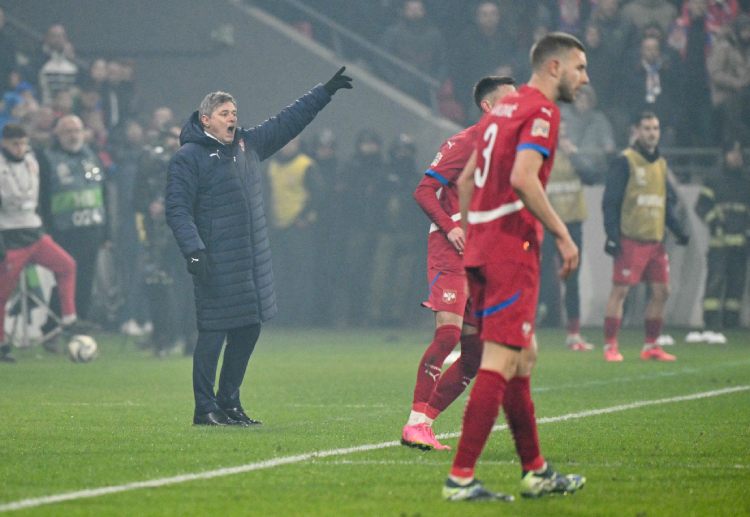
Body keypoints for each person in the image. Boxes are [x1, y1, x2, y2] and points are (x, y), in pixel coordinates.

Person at [443, 32, 588, 502]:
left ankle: (536, 471)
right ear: (554, 67)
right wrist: (564, 234)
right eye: (579, 67)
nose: (584, 78)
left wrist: (473, 238)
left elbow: (466, 181)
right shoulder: (541, 110)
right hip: (511, 249)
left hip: (484, 248)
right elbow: (524, 178)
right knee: (503, 359)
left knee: (522, 357)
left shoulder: (500, 110)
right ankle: (461, 477)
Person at [165, 67, 352, 427]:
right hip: (214, 258)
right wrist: (194, 249)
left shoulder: (246, 146)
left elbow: (287, 121)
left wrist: (324, 92)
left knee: (249, 327)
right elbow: (177, 208)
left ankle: (229, 402)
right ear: (205, 120)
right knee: (213, 331)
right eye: (224, 113)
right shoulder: (188, 157)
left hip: (248, 259)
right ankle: (204, 408)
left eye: (234, 112)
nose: (232, 118)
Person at [401, 76, 516, 451]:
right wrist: (449, 226)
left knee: (475, 355)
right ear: (488, 106)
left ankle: (425, 423)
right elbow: (423, 190)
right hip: (451, 251)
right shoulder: (464, 142)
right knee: (447, 334)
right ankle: (414, 422)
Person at [601, 111, 690, 362]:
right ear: (636, 131)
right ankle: (610, 346)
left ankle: (651, 346)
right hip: (631, 239)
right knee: (620, 291)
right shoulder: (625, 161)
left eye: (656, 128)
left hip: (655, 241)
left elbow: (665, 204)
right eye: (647, 128)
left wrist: (678, 230)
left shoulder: (660, 163)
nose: (653, 133)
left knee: (662, 291)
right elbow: (610, 202)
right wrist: (612, 235)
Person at [0, 123, 78, 363]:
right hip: (10, 235)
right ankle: (2, 344)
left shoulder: (32, 161)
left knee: (67, 265)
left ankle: (69, 319)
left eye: (23, 143)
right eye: (15, 143)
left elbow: (41, 199)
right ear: (4, 143)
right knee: (2, 294)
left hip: (34, 231)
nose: (20, 148)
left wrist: (46, 228)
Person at [38, 114, 108, 323]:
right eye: (67, 131)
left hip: (92, 227)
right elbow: (43, 197)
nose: (73, 135)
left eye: (76, 130)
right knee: (64, 276)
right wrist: (48, 229)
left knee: (87, 277)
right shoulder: (47, 159)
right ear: (57, 134)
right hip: (63, 229)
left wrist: (107, 231)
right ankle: (54, 324)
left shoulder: (91, 156)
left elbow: (103, 194)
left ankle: (81, 321)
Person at [538, 121, 598, 349]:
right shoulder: (541, 157)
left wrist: (573, 153)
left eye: (564, 133)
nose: (560, 137)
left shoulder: (575, 157)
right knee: (540, 277)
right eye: (557, 133)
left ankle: (574, 333)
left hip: (572, 225)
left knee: (572, 278)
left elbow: (592, 176)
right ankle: (531, 327)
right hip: (547, 224)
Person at [689, 140, 750, 343]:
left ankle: (731, 321)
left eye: (739, 153)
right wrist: (714, 223)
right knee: (715, 282)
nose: (736, 157)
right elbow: (701, 206)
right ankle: (711, 321)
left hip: (741, 243)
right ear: (724, 155)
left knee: (736, 284)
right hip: (719, 243)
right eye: (732, 153)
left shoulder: (746, 180)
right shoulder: (714, 179)